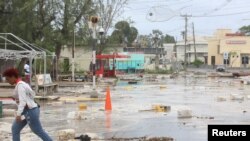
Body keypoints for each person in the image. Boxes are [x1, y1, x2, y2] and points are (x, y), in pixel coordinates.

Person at [3, 68, 53, 141]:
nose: (7, 81)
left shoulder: (20, 86)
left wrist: (18, 114)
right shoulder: (22, 84)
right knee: (15, 129)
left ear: (13, 76)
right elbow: (32, 95)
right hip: (26, 111)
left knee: (38, 131)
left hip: (30, 111)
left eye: (8, 79)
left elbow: (23, 101)